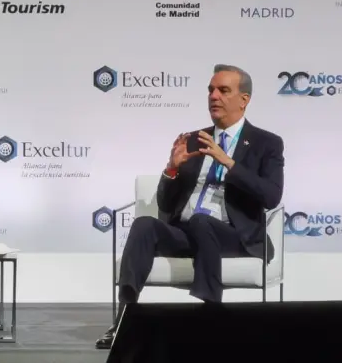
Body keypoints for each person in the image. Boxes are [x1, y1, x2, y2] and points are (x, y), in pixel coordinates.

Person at [95, 64, 284, 349]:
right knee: (145, 225)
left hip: (235, 236)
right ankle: (124, 320)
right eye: (211, 90)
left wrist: (228, 162)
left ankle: (209, 317)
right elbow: (165, 204)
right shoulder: (194, 140)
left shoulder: (266, 143)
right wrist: (171, 169)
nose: (214, 96)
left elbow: (271, 196)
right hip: (187, 233)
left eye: (223, 90)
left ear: (244, 99)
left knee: (201, 221)